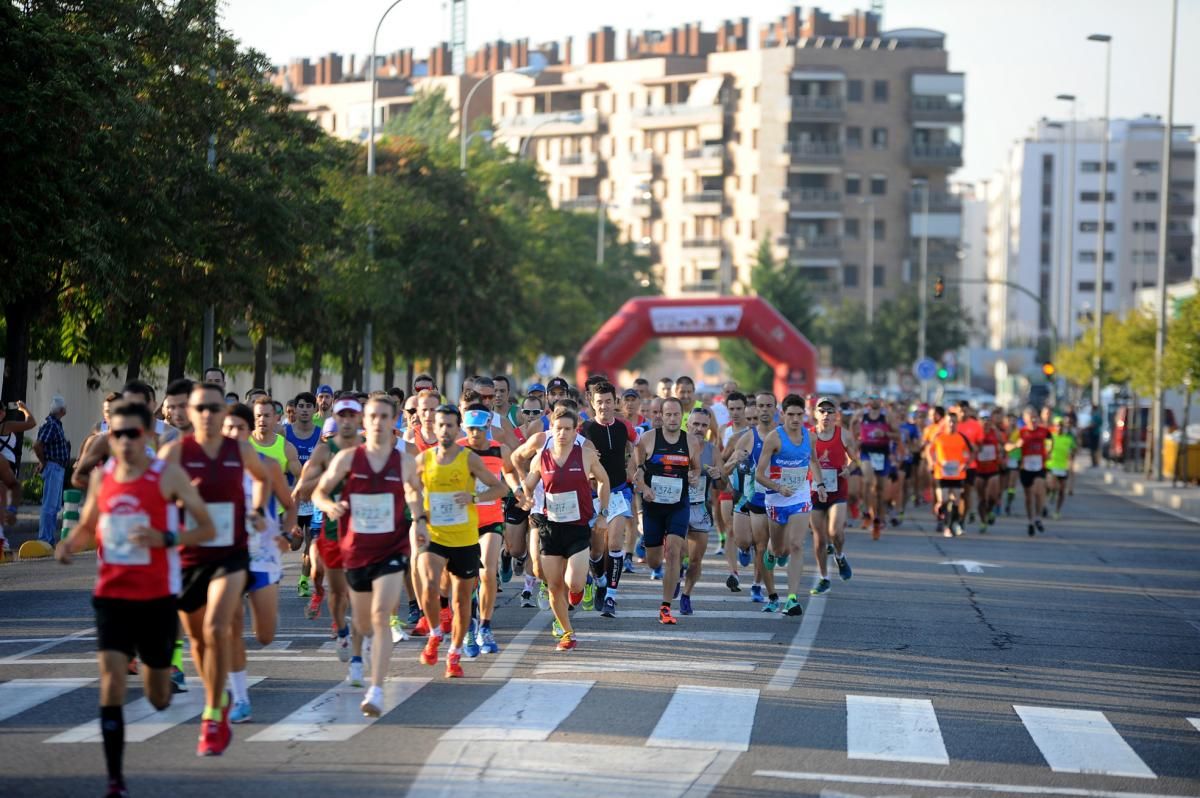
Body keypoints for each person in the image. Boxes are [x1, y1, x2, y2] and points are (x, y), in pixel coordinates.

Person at [55, 401, 215, 797]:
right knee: (110, 683)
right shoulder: (103, 477)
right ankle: (115, 778)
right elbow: (90, 524)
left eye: (132, 434)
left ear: (147, 436)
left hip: (158, 599)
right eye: (116, 434)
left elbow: (207, 526)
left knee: (158, 698)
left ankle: (158, 678)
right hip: (111, 596)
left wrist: (168, 539)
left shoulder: (168, 476)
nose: (124, 441)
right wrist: (69, 543)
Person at [156, 383, 272, 756]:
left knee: (218, 626)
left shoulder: (239, 450)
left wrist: (255, 510)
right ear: (189, 413)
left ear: (224, 412)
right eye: (200, 407)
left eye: (213, 407)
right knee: (197, 641)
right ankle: (217, 701)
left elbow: (263, 478)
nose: (207, 414)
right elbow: (156, 497)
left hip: (231, 554)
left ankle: (210, 716)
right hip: (189, 557)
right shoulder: (174, 453)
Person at [314, 394, 423, 711]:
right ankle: (365, 651)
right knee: (362, 623)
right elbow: (321, 491)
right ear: (365, 421)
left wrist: (421, 520)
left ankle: (375, 690)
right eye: (372, 416)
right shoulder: (348, 459)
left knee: (380, 616)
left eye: (384, 417)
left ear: (393, 422)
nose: (377, 422)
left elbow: (415, 492)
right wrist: (329, 505)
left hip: (392, 547)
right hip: (356, 549)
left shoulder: (403, 460)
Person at [414, 405, 507, 677]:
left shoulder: (469, 459)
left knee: (461, 600)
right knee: (430, 587)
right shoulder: (424, 459)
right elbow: (409, 488)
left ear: (457, 430)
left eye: (449, 426)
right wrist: (419, 514)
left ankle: (454, 655)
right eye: (440, 425)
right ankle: (434, 634)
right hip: (435, 535)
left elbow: (500, 487)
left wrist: (474, 498)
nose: (444, 430)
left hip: (465, 537)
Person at [221, 404, 295, 724]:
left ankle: (266, 606)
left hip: (262, 555)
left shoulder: (266, 465)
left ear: (249, 432)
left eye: (239, 428)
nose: (233, 434)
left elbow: (290, 506)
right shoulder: (213, 468)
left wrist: (285, 532)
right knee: (230, 626)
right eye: (228, 428)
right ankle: (240, 697)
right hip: (226, 556)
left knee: (264, 635)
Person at [520, 404, 610, 648]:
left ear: (574, 431)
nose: (562, 433)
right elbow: (529, 483)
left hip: (577, 526)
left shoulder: (585, 455)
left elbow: (603, 480)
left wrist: (602, 513)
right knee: (554, 584)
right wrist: (525, 495)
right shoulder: (542, 457)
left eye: (567, 429)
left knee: (574, 583)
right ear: (552, 428)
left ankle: (580, 591)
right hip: (551, 527)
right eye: (558, 428)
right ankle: (567, 633)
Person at [756, 394, 827, 616]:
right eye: (791, 414)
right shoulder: (773, 439)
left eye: (799, 414)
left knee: (796, 544)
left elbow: (813, 461)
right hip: (777, 499)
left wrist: (820, 484)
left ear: (804, 415)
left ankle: (792, 599)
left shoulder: (810, 437)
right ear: (782, 414)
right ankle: (770, 555)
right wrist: (778, 488)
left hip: (800, 496)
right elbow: (759, 475)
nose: (795, 419)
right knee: (777, 549)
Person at [633, 396, 700, 625]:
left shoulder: (690, 442)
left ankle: (665, 607)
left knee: (673, 551)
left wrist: (694, 477)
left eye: (676, 414)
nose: (672, 419)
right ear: (660, 415)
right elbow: (637, 473)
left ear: (682, 416)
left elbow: (696, 468)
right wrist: (644, 488)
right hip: (653, 507)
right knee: (654, 561)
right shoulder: (648, 439)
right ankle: (663, 569)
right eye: (668, 414)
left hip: (678, 505)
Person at [34, 394, 71, 546]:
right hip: (53, 467)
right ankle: (44, 539)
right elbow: (38, 445)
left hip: (57, 467)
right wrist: (43, 462)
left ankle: (48, 539)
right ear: (61, 410)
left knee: (54, 506)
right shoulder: (51, 424)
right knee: (49, 506)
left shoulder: (55, 424)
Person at [930, 411, 973, 537]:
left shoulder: (962, 438)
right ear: (945, 422)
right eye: (949, 421)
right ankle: (942, 520)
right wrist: (933, 462)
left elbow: (970, 453)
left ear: (957, 423)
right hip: (942, 474)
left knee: (956, 501)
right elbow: (929, 450)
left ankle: (950, 526)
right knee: (942, 500)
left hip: (957, 474)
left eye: (954, 421)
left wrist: (966, 464)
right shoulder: (939, 437)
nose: (951, 424)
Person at [1010, 406, 1051, 536]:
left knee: (1038, 490)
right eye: (1030, 417)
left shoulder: (1044, 431)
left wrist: (1049, 451)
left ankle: (1038, 517)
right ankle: (1031, 521)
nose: (1033, 420)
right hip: (1025, 468)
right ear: (1025, 419)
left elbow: (1050, 440)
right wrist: (1016, 445)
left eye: (1035, 417)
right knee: (1029, 497)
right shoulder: (1020, 432)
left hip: (1039, 467)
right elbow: (1007, 446)